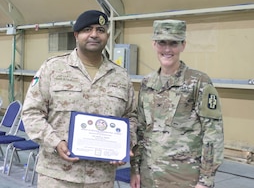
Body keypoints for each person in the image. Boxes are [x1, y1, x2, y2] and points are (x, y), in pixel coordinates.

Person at [22, 10, 137, 188]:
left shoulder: (120, 76)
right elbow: (31, 113)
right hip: (57, 176)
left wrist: (124, 145)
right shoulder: (52, 68)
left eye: (100, 30)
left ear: (107, 35)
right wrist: (55, 142)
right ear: (76, 35)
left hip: (101, 178)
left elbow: (131, 116)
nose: (94, 35)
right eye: (87, 30)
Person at [130, 19, 224, 188]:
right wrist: (134, 169)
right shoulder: (147, 83)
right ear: (154, 44)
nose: (167, 49)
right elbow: (141, 129)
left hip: (185, 178)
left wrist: (206, 180)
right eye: (162, 43)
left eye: (173, 43)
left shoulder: (198, 82)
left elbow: (213, 134)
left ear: (183, 45)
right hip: (149, 176)